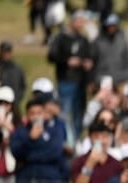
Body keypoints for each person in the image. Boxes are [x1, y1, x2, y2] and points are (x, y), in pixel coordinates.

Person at [47, 10, 93, 140]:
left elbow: (89, 56)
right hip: (66, 80)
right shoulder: (61, 37)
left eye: (82, 21)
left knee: (79, 113)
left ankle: (76, 139)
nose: (80, 24)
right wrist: (67, 61)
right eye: (78, 21)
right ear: (72, 21)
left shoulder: (83, 39)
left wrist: (87, 63)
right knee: (65, 112)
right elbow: (51, 56)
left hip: (81, 82)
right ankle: (65, 139)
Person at [91, 14, 128, 87]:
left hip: (119, 80)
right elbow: (92, 62)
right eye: (109, 26)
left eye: (114, 26)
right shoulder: (98, 42)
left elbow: (127, 62)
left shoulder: (122, 42)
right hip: (100, 79)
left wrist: (125, 77)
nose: (111, 28)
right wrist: (93, 79)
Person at [0, 42, 26, 107]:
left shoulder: (17, 69)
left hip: (13, 103)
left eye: (7, 52)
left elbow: (22, 86)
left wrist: (17, 100)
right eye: (3, 52)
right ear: (0, 52)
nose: (5, 55)